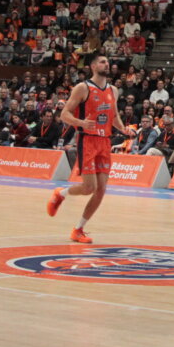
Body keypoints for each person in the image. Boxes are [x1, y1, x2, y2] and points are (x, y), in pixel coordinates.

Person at [47, 53, 126, 243]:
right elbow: (64, 114)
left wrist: (124, 130)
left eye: (107, 61)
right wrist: (81, 123)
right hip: (87, 140)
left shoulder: (113, 90)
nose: (106, 64)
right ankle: (61, 193)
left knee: (101, 189)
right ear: (92, 66)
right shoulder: (83, 88)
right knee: (89, 187)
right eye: (102, 61)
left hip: (105, 142)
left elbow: (114, 117)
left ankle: (78, 229)